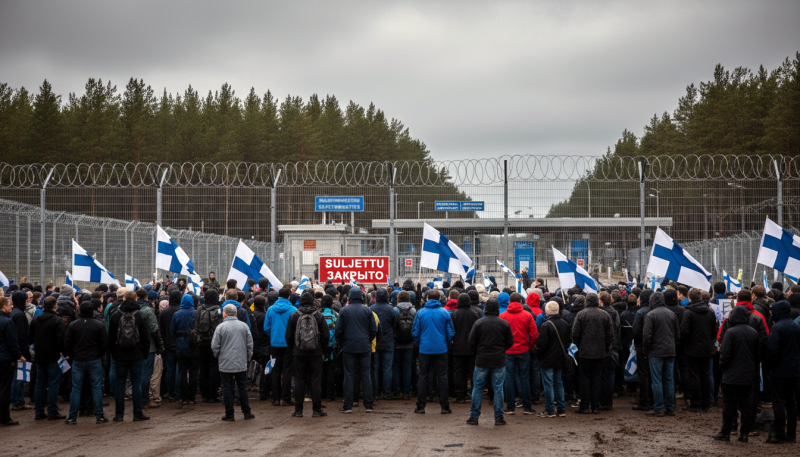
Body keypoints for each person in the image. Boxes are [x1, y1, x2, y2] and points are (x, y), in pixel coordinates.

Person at [713, 306, 761, 442]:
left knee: (729, 405)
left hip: (731, 375)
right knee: (745, 405)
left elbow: (725, 355)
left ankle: (726, 431)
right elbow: (758, 355)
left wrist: (722, 367)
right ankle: (744, 433)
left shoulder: (730, 332)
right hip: (748, 375)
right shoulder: (753, 333)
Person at [466, 297, 514, 426]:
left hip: (482, 359)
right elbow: (510, 342)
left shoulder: (479, 323)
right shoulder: (504, 324)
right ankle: (498, 417)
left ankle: (474, 416)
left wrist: (479, 351)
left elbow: (471, 342)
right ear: (497, 309)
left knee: (478, 387)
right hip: (498, 359)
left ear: (485, 308)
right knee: (498, 388)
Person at [108, 290, 151, 422]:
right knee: (136, 384)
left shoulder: (115, 315)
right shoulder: (140, 315)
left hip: (120, 354)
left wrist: (114, 353)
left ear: (124, 298)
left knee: (120, 385)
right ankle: (137, 413)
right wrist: (144, 353)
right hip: (136, 354)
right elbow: (145, 337)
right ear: (136, 299)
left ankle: (119, 414)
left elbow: (111, 337)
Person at [63, 300, 108, 424]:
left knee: (76, 389)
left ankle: (72, 417)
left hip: (78, 359)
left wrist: (73, 356)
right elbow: (104, 343)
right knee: (96, 388)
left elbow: (67, 344)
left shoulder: (73, 325)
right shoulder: (98, 324)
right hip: (94, 359)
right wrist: (99, 354)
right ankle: (99, 415)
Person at [285, 292, 330, 417]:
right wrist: (322, 347)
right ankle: (316, 410)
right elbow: (326, 335)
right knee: (315, 381)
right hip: (316, 352)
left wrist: (293, 348)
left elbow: (288, 336)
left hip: (298, 352)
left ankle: (298, 410)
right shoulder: (318, 315)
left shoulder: (294, 315)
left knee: (299, 380)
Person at [335, 287, 377, 413]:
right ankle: (368, 405)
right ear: (361, 297)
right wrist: (367, 340)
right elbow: (373, 330)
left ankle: (348, 405)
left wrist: (343, 343)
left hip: (349, 346)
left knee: (349, 375)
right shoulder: (367, 310)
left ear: (350, 297)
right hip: (364, 346)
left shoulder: (344, 310)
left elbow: (339, 330)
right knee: (366, 375)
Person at [413, 289, 454, 415]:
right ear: (439, 299)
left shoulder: (420, 313)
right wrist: (446, 345)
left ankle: (421, 406)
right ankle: (444, 406)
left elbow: (415, 332)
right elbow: (450, 333)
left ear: (426, 299)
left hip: (425, 348)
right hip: (441, 348)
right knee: (442, 377)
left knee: (423, 376)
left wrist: (420, 343)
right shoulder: (445, 313)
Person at [571, 292, 614, 414]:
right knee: (597, 379)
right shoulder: (605, 315)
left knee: (584, 379)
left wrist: (579, 346)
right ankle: (595, 406)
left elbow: (575, 334)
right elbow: (610, 334)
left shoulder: (581, 314)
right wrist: (605, 347)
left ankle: (584, 406)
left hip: (584, 352)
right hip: (600, 352)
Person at [212, 304, 255, 421]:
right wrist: (247, 358)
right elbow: (250, 344)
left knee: (227, 387)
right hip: (241, 361)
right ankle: (246, 412)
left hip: (225, 362)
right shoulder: (244, 326)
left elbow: (215, 345)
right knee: (242, 387)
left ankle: (229, 413)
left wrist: (218, 356)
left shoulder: (220, 327)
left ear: (225, 313)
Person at [765, 300, 800, 444]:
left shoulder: (777, 327)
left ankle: (779, 433)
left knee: (778, 402)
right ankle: (791, 434)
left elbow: (772, 350)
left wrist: (769, 367)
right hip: (794, 369)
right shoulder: (796, 326)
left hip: (779, 370)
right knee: (791, 401)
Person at [499, 292, 538, 415]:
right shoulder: (527, 315)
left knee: (509, 378)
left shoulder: (503, 316)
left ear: (510, 302)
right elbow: (534, 334)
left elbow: (500, 335)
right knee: (524, 378)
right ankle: (527, 407)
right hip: (523, 350)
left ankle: (510, 407)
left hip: (508, 351)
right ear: (521, 301)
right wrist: (530, 347)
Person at [642, 291, 680, 417]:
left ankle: (658, 407)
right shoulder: (672, 314)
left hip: (655, 352)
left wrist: (646, 351)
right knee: (669, 380)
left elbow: (647, 336)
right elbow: (677, 334)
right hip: (670, 350)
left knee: (657, 380)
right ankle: (670, 407)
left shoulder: (650, 315)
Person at [680, 288, 717, 412]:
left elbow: (684, 331)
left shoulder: (688, 313)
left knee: (694, 375)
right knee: (705, 375)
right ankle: (706, 403)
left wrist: (687, 342)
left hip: (692, 348)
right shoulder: (710, 312)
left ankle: (695, 403)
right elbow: (714, 331)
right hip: (706, 348)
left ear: (689, 298)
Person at [28, 295, 65, 420]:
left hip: (39, 356)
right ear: (55, 306)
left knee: (40, 383)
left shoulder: (36, 320)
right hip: (53, 356)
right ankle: (52, 411)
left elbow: (30, 338)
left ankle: (39, 411)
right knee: (53, 384)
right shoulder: (57, 320)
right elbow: (61, 340)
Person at [537, 301, 571, 418]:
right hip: (560, 358)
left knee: (548, 384)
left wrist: (537, 353)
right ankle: (561, 409)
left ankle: (550, 409)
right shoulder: (565, 324)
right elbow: (567, 342)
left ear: (546, 311)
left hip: (547, 359)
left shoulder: (546, 325)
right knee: (559, 383)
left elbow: (541, 344)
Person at [264, 287, 297, 406]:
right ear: (289, 296)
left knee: (275, 370)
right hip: (289, 344)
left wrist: (273, 334)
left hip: (274, 343)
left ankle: (276, 398)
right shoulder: (293, 309)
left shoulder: (271, 309)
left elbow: (266, 327)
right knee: (288, 370)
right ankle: (286, 398)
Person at [135, 288, 164, 409]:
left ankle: (137, 398)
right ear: (146, 297)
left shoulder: (132, 309)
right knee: (146, 375)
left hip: (134, 346)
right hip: (149, 347)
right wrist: (160, 345)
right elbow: (154, 329)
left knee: (136, 375)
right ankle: (144, 399)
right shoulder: (147, 310)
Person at [171, 293, 199, 406]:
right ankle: (192, 397)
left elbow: (172, 330)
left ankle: (183, 397)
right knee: (193, 373)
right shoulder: (196, 313)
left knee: (182, 372)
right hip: (194, 346)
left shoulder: (176, 314)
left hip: (181, 346)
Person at [451, 294, 479, 403]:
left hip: (458, 348)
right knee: (473, 372)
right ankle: (474, 394)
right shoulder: (475, 314)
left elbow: (452, 331)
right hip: (472, 348)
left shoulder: (454, 314)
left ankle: (460, 395)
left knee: (459, 372)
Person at [196, 288, 223, 403]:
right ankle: (213, 395)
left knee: (203, 368)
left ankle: (204, 395)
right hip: (214, 342)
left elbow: (196, 324)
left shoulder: (199, 309)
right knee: (214, 368)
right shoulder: (219, 310)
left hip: (201, 342)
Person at [369, 288, 396, 400]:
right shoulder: (391, 309)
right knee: (387, 368)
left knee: (374, 368)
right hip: (388, 342)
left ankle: (375, 392)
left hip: (374, 342)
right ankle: (387, 392)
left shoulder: (370, 309)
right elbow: (394, 324)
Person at [0, 297, 22, 426]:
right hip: (5, 359)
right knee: (4, 389)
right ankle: (4, 417)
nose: (12, 307)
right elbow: (12, 342)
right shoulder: (8, 322)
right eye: (10, 304)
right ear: (4, 306)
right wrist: (18, 355)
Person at [158, 288, 183, 402]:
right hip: (181, 344)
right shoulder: (182, 311)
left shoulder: (164, 312)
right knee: (179, 370)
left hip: (168, 344)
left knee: (170, 370)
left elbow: (161, 330)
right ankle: (178, 393)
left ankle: (171, 393)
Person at [631, 289, 654, 411]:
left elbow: (635, 331)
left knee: (643, 374)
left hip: (642, 347)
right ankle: (654, 399)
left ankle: (644, 401)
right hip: (655, 347)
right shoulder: (654, 311)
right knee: (654, 374)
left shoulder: (640, 312)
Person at [9, 291, 31, 410]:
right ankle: (18, 401)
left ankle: (16, 400)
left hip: (14, 350)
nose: (27, 302)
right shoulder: (19, 315)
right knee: (19, 377)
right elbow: (21, 336)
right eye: (26, 300)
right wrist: (22, 353)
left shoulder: (14, 313)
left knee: (16, 377)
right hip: (20, 350)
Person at [393, 290, 416, 400]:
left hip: (396, 342)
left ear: (398, 299)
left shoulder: (395, 310)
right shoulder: (413, 310)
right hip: (409, 343)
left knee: (396, 367)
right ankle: (407, 392)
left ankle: (397, 391)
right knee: (407, 368)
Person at [251, 293, 270, 401]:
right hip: (264, 345)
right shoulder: (264, 316)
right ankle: (264, 392)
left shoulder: (252, 314)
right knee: (266, 369)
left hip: (253, 345)